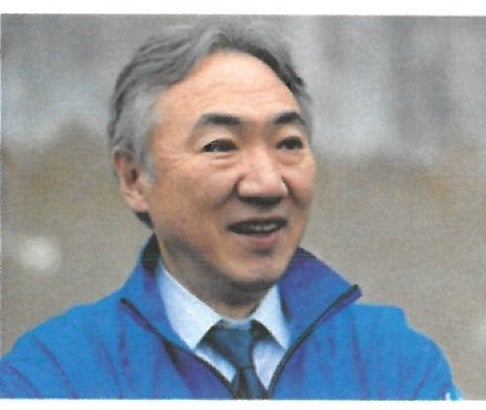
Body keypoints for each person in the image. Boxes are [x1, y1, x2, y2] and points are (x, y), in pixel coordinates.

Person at [0, 21, 459, 400]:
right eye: (220, 145)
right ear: (135, 178)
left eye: (289, 143)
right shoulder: (54, 378)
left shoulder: (393, 363)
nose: (268, 184)